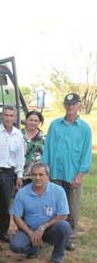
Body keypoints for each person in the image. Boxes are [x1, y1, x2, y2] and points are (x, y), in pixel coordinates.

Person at [42, 93, 92, 251]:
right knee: (52, 206)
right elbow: (47, 148)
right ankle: (52, 235)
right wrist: (45, 171)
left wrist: (80, 174)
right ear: (64, 106)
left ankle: (69, 237)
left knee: (71, 208)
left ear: (79, 106)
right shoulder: (55, 125)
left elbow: (86, 153)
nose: (70, 107)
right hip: (55, 173)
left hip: (72, 175)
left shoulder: (85, 128)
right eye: (68, 104)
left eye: (73, 104)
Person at [10, 163, 72, 263]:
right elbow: (16, 216)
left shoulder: (58, 191)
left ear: (47, 176)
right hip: (29, 229)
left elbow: (63, 215)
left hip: (49, 229)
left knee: (64, 226)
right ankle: (34, 248)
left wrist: (43, 227)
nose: (37, 178)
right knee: (16, 246)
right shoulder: (22, 192)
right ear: (31, 176)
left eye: (41, 175)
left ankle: (56, 258)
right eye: (34, 175)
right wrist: (30, 233)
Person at [0, 106, 25, 243]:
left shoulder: (18, 135)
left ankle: (2, 232)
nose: (9, 118)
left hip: (9, 173)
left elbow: (20, 156)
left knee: (5, 204)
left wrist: (19, 175)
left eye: (11, 116)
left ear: (15, 118)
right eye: (6, 115)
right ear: (2, 116)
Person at [21, 110, 45, 185]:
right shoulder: (18, 134)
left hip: (36, 175)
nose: (33, 122)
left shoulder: (43, 137)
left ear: (39, 122)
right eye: (31, 120)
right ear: (26, 120)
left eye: (36, 121)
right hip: (19, 174)